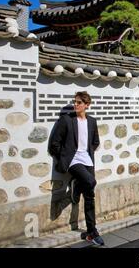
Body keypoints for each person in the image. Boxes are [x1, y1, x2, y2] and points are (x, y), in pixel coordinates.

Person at [48, 91, 104, 246]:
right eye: (75, 102)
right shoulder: (66, 120)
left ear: (87, 105)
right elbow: (54, 143)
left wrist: (88, 152)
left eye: (79, 102)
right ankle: (76, 185)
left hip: (87, 160)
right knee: (91, 181)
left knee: (90, 195)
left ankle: (91, 231)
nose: (76, 105)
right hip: (73, 161)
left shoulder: (92, 121)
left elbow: (95, 141)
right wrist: (65, 156)